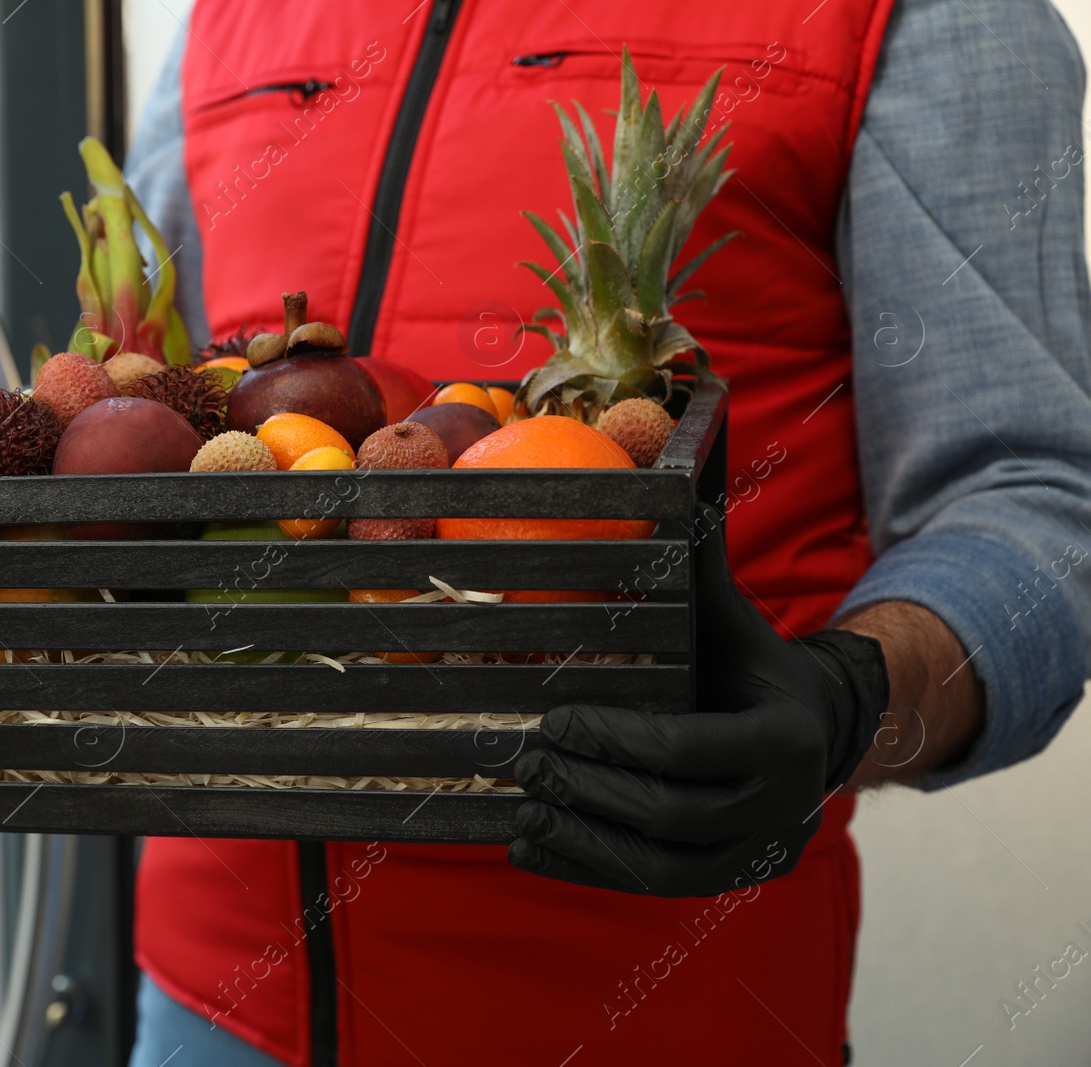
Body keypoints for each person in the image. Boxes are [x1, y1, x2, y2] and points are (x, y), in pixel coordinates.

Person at [121, 0, 1091, 1063]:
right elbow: (179, 388)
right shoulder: (224, 17)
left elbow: (1034, 492)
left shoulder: (926, 17)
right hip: (211, 1000)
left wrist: (853, 695)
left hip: (655, 1008)